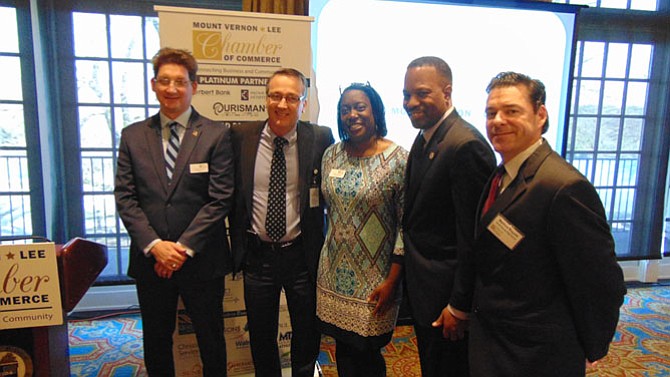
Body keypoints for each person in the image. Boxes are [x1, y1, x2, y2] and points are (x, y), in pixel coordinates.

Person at [471, 71, 626, 376]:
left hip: (536, 356)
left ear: (540, 115)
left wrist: (590, 345)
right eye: (491, 113)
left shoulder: (563, 187)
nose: (497, 121)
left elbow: (602, 282)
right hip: (498, 342)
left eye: (511, 111)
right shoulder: (503, 174)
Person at [114, 47, 233, 377]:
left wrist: (180, 249)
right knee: (155, 339)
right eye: (164, 81)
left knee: (211, 340)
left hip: (201, 260)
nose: (171, 88)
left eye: (180, 81)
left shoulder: (216, 134)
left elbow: (220, 199)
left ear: (194, 85)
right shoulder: (133, 136)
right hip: (151, 261)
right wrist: (156, 247)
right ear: (153, 84)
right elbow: (125, 197)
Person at [229, 68, 334, 377]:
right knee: (261, 335)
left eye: (292, 97)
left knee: (307, 331)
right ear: (266, 98)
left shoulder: (320, 138)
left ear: (303, 104)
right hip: (258, 256)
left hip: (302, 254)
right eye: (276, 96)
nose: (283, 104)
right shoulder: (241, 136)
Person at [401, 56, 496, 377]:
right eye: (406, 94)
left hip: (447, 301)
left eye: (422, 93)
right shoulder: (427, 135)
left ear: (447, 91)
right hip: (426, 291)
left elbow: (473, 238)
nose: (411, 102)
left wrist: (460, 304)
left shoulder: (465, 145)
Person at [316, 83, 408, 376]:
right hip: (334, 275)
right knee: (344, 351)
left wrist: (392, 280)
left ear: (375, 111)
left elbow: (405, 227)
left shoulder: (398, 160)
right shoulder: (331, 155)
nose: (352, 115)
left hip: (376, 280)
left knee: (367, 355)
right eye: (345, 110)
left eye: (360, 107)